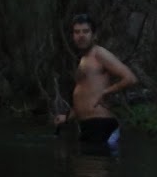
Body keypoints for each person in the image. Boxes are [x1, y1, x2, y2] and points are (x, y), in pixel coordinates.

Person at [54, 13, 137, 155]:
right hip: (88, 125)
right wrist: (67, 118)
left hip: (101, 124)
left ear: (94, 35)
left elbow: (130, 78)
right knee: (83, 167)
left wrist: (106, 92)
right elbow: (85, 97)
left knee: (93, 167)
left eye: (85, 31)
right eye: (77, 32)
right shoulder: (83, 59)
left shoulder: (99, 53)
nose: (81, 36)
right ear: (73, 36)